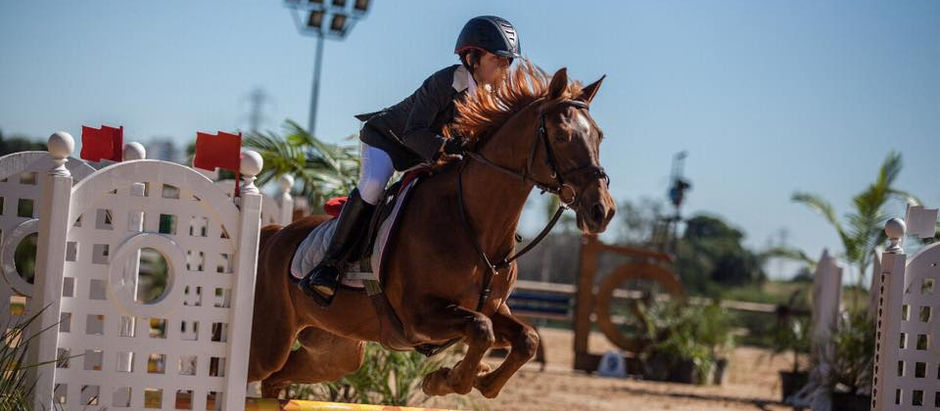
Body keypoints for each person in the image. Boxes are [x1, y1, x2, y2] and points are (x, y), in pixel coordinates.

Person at [298, 16, 522, 306]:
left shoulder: (492, 98)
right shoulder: (445, 82)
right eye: (499, 59)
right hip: (388, 141)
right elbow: (413, 131)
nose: (505, 68)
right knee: (373, 187)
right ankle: (329, 266)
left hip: (424, 155)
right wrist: (445, 147)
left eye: (508, 61)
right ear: (472, 58)